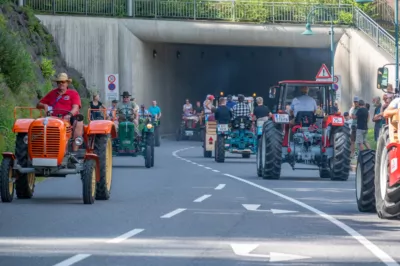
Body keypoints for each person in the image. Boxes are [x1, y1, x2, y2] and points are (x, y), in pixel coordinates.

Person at [36, 73, 82, 152]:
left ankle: (75, 150)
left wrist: (69, 114)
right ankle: (42, 148)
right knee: (40, 123)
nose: (61, 84)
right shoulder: (52, 93)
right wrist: (44, 106)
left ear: (67, 83)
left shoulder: (73, 94)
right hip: (54, 118)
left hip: (69, 117)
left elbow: (76, 107)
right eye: (59, 82)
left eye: (63, 82)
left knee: (78, 123)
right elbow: (38, 104)